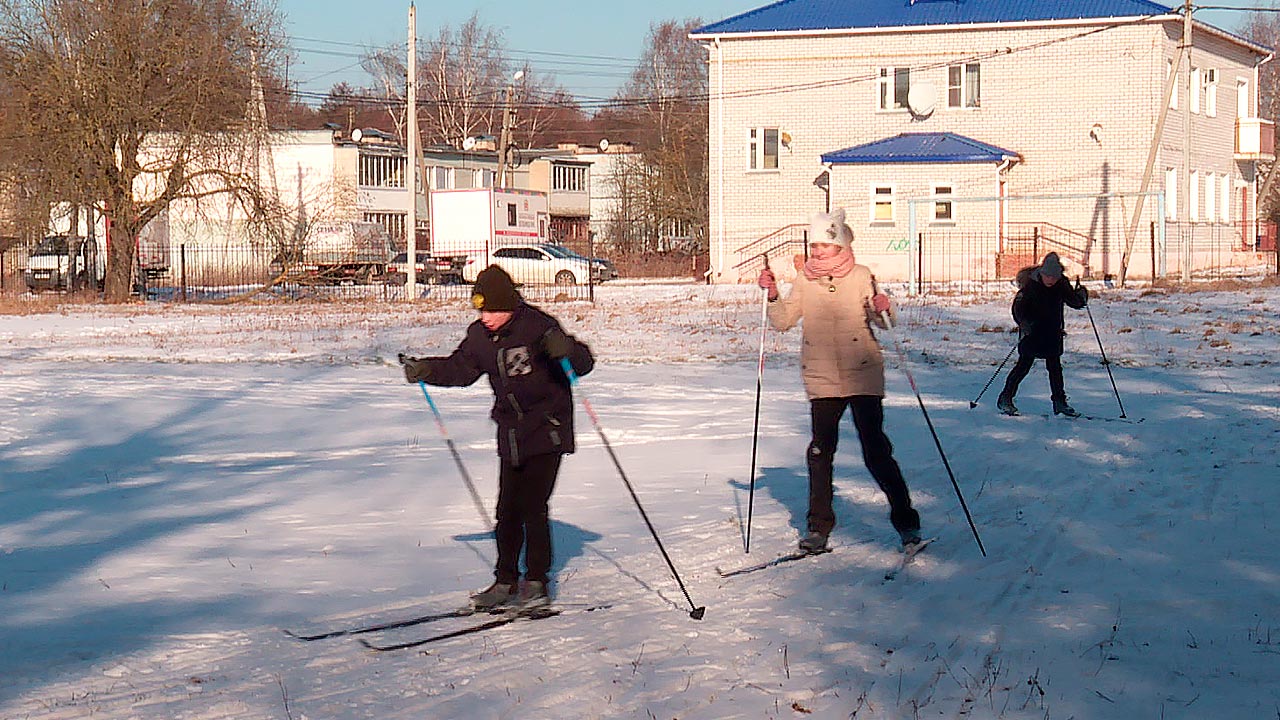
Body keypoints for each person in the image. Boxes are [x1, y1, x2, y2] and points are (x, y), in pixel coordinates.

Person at [400, 265, 594, 610]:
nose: (485, 317)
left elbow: (581, 363)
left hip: (547, 427)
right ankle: (505, 582)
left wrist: (567, 349)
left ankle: (536, 583)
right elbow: (460, 369)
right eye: (481, 310)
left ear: (509, 305)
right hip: (512, 432)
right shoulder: (480, 337)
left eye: (491, 310)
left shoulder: (538, 327)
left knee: (534, 508)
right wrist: (427, 369)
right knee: (506, 510)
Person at [757, 209, 923, 553]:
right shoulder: (804, 279)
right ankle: (818, 529)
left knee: (877, 453)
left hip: (862, 371)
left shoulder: (862, 275)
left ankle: (907, 526)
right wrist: (772, 295)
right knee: (820, 452)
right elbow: (784, 320)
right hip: (822, 376)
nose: (818, 252)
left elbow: (882, 321)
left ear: (840, 246)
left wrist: (884, 308)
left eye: (825, 246)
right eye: (814, 246)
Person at [996, 252, 1089, 417]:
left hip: (1052, 332)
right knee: (1023, 366)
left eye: (1054, 277)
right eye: (1048, 276)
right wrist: (1024, 323)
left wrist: (1081, 296)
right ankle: (1005, 398)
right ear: (1042, 273)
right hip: (1032, 332)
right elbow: (1017, 309)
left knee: (1055, 368)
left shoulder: (1061, 284)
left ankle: (1059, 403)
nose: (1051, 280)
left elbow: (1073, 301)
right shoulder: (1030, 285)